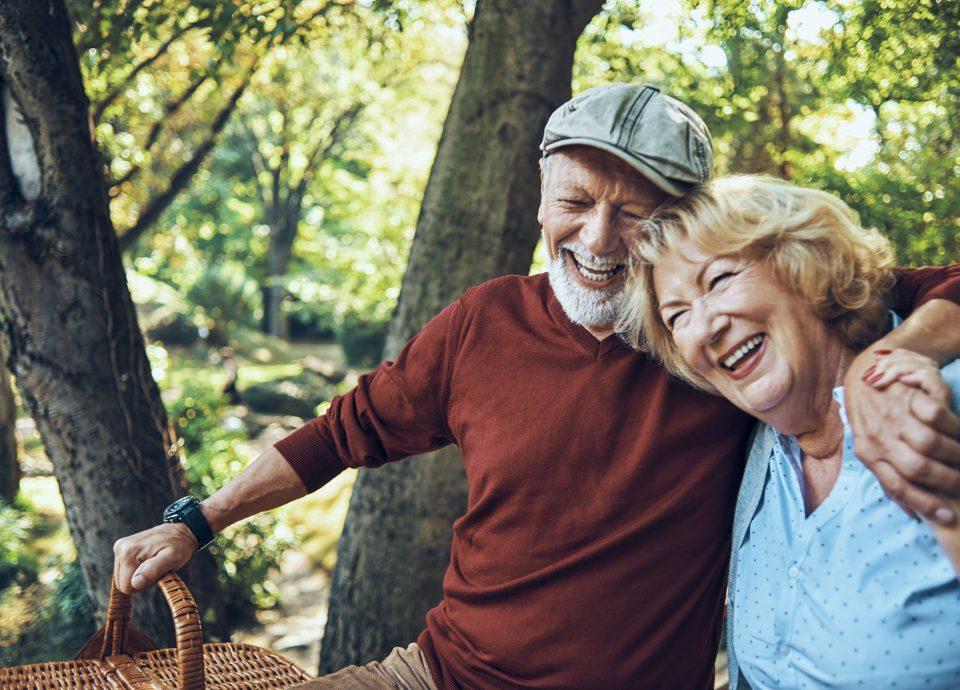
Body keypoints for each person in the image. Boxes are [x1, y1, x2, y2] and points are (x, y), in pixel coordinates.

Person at [113, 85, 960, 689]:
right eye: (577, 200)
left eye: (634, 215)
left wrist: (906, 358)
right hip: (436, 673)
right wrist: (198, 520)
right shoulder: (484, 322)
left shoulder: (721, 345)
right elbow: (343, 430)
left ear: (680, 229)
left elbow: (889, 284)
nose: (597, 237)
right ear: (542, 195)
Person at [618, 174, 960, 689]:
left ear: (802, 264)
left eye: (720, 279)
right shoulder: (751, 453)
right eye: (678, 315)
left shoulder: (938, 401)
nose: (705, 326)